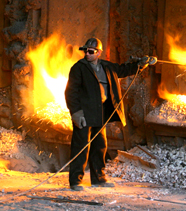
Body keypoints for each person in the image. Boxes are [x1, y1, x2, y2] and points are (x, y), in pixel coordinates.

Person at [64, 37, 149, 191]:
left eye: (91, 51)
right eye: (86, 51)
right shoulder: (79, 68)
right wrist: (76, 113)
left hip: (100, 112)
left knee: (100, 146)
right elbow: (71, 92)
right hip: (84, 112)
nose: (87, 54)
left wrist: (140, 65)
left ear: (99, 53)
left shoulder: (107, 67)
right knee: (81, 146)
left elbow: (123, 70)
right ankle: (75, 181)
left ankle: (99, 179)